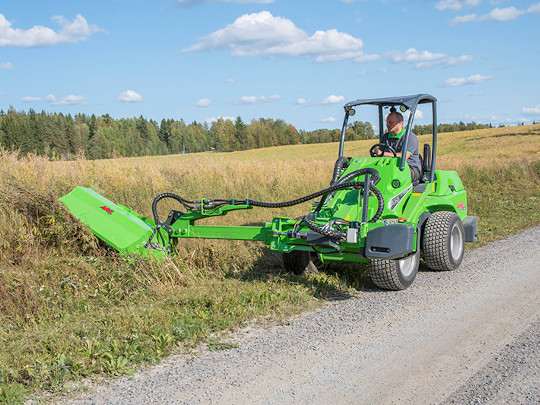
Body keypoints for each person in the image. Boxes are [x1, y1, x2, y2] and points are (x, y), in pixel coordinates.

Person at [374, 109, 422, 182]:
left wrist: (382, 153)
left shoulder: (410, 137)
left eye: (390, 122)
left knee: (395, 173)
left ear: (400, 123)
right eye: (387, 122)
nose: (387, 125)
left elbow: (404, 156)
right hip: (390, 167)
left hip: (409, 168)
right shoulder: (385, 137)